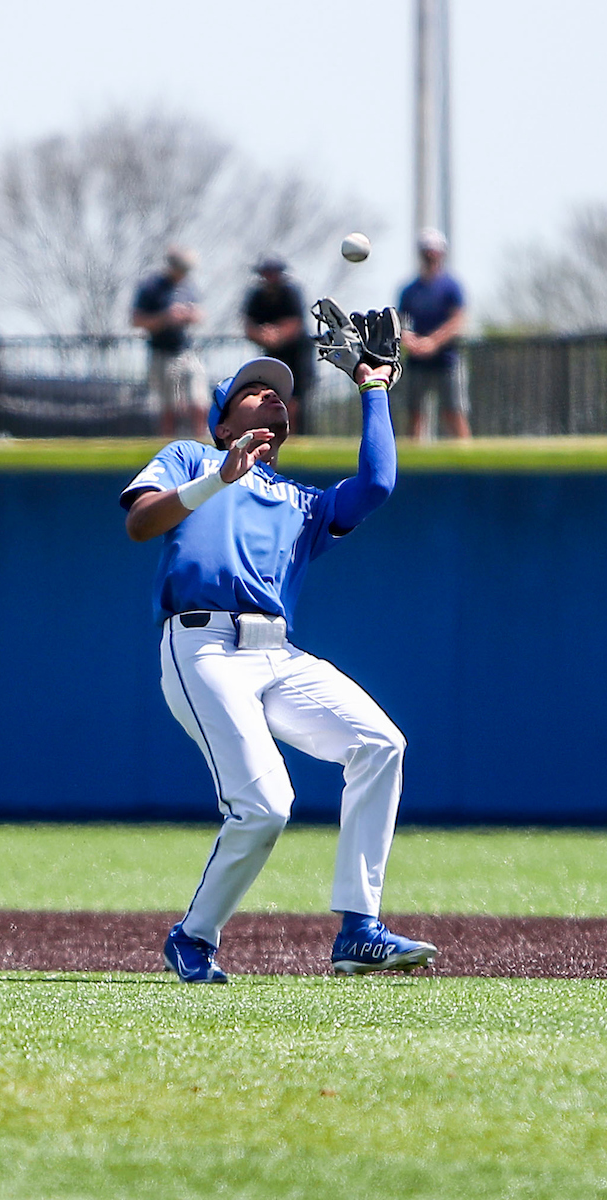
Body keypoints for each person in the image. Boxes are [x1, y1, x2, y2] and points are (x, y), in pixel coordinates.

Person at [120, 329, 437, 983]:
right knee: (266, 804)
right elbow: (140, 521)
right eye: (253, 392)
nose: (271, 398)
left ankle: (359, 930)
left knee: (381, 744)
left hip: (279, 654)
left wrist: (373, 388)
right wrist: (216, 478)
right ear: (222, 423)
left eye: (279, 395)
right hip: (203, 646)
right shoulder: (189, 458)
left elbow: (376, 484)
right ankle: (193, 938)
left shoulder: (301, 502)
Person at [397, 227, 471, 440]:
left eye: (433, 252)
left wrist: (433, 342)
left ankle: (466, 455)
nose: (430, 256)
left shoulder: (451, 287)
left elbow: (457, 321)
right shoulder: (409, 291)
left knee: (453, 411)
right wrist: (410, 341)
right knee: (415, 413)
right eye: (426, 252)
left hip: (447, 359)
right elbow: (400, 323)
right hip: (417, 361)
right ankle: (413, 456)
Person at [132, 246, 208, 439]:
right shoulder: (151, 286)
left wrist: (190, 315)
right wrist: (165, 317)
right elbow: (137, 320)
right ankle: (167, 444)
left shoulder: (189, 286)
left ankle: (201, 441)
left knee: (199, 400)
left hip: (187, 351)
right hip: (162, 354)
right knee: (169, 406)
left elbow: (201, 314)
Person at [242, 256, 315, 435]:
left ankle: (294, 434)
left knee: (295, 397)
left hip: (297, 354)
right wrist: (263, 336)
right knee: (273, 393)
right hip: (272, 353)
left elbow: (295, 324)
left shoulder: (291, 293)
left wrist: (277, 335)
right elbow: (249, 327)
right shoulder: (256, 296)